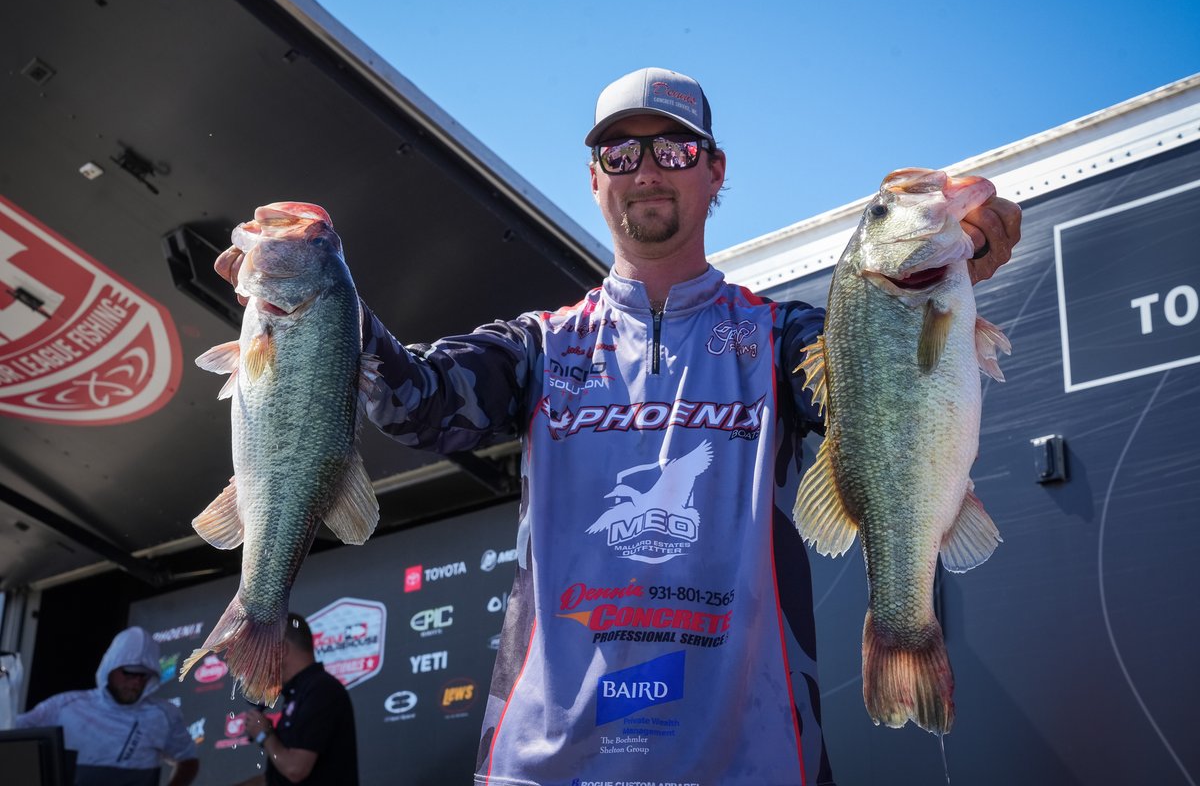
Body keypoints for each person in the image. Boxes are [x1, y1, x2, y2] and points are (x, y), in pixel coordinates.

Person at [215, 66, 1020, 785]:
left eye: (673, 150)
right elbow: (417, 403)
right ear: (594, 180)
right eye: (619, 154)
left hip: (755, 756)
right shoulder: (537, 345)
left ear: (715, 172)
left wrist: (950, 271)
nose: (645, 172)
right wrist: (314, 306)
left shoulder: (787, 340)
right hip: (548, 762)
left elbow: (896, 409)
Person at [15, 626, 199, 786]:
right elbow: (12, 734)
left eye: (143, 676)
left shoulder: (165, 714)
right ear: (110, 667)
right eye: (129, 673)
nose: (136, 683)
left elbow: (188, 760)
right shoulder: (64, 706)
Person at [238, 613, 359, 786]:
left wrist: (264, 734)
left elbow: (295, 769)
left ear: (281, 649)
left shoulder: (320, 690)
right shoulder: (298, 694)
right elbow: (278, 780)